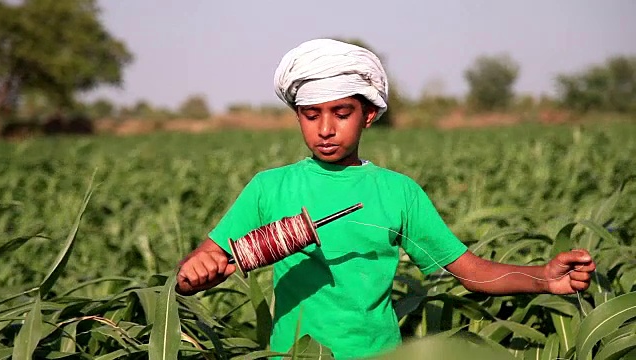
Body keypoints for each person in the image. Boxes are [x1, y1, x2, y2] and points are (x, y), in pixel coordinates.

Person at [176, 38, 596, 359]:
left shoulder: (399, 193)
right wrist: (197, 273)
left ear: (369, 115)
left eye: (341, 113)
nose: (325, 129)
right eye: (311, 114)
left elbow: (471, 272)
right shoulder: (268, 188)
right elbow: (197, 266)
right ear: (297, 115)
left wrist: (544, 277)